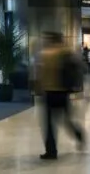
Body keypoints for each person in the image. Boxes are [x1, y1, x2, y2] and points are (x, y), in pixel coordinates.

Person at [33, 32, 85, 160]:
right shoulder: (67, 52)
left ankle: (51, 151)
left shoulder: (44, 54)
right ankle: (78, 134)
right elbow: (78, 69)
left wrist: (38, 89)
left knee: (49, 124)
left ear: (50, 40)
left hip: (49, 92)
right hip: (63, 92)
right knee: (67, 120)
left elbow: (39, 74)